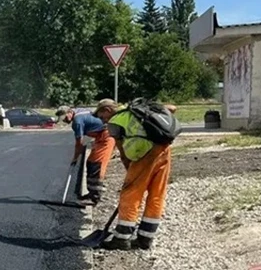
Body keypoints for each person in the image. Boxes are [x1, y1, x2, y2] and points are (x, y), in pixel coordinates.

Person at [100, 103, 178, 251]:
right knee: (157, 194)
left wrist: (130, 173)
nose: (102, 120)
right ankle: (145, 238)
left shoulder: (115, 122)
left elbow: (123, 152)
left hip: (145, 154)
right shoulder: (138, 112)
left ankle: (122, 239)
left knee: (131, 194)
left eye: (101, 116)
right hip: (164, 150)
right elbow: (172, 108)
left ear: (108, 110)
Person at [60, 98, 118, 206]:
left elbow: (79, 143)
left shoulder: (77, 121)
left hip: (106, 137)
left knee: (96, 165)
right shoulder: (80, 111)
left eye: (64, 117)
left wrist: (75, 158)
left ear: (69, 112)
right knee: (90, 162)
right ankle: (90, 194)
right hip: (100, 137)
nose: (64, 120)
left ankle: (94, 197)